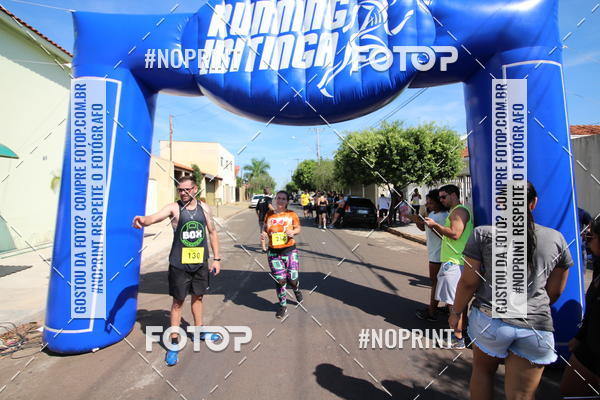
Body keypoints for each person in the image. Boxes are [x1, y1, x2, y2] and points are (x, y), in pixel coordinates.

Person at [451, 182, 573, 400]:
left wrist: (456, 312)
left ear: (501, 203)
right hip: (535, 326)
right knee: (522, 395)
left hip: (490, 320)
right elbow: (555, 291)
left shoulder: (483, 234)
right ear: (533, 203)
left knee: (482, 373)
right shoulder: (556, 239)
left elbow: (469, 282)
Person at [132, 176, 221, 366]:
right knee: (178, 303)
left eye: (187, 189)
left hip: (200, 263)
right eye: (180, 190)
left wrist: (217, 259)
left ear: (195, 189)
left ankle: (199, 331)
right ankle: (173, 342)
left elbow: (212, 232)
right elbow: (154, 217)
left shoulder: (204, 209)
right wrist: (143, 220)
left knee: (198, 297)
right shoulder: (174, 208)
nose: (183, 193)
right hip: (179, 265)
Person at [424, 184, 473, 348]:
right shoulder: (459, 211)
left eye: (443, 197)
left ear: (453, 195)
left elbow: (455, 234)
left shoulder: (458, 212)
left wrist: (435, 225)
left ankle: (457, 338)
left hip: (454, 262)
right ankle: (461, 333)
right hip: (457, 262)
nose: (441, 200)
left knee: (454, 304)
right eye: (440, 198)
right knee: (459, 302)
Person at [560, 216, 600, 397]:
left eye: (590, 237)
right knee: (569, 391)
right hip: (590, 344)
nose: (586, 241)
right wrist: (580, 336)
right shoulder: (598, 263)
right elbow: (592, 307)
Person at [261, 191, 303, 319]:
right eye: (278, 198)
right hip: (274, 252)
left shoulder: (291, 214)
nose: (280, 200)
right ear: (275, 199)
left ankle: (296, 290)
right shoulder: (269, 214)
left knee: (293, 280)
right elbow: (265, 229)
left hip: (289, 250)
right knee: (280, 280)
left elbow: (298, 228)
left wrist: (293, 232)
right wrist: (264, 234)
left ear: (287, 201)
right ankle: (282, 306)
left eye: (283, 199)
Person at [414, 189, 449, 321]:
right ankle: (447, 307)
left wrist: (433, 226)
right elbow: (424, 229)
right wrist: (418, 220)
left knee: (435, 283)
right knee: (440, 283)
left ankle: (432, 312)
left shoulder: (444, 216)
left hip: (438, 254)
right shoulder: (433, 214)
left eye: (431, 202)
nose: (427, 205)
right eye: (427, 202)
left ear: (438, 202)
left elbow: (445, 235)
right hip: (433, 252)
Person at [256, 187, 274, 252]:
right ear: (269, 192)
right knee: (271, 232)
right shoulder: (269, 199)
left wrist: (259, 216)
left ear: (264, 192)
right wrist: (276, 211)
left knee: (262, 233)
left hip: (261, 219)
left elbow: (256, 209)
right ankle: (271, 247)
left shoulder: (260, 199)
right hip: (268, 219)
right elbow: (269, 206)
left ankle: (264, 249)